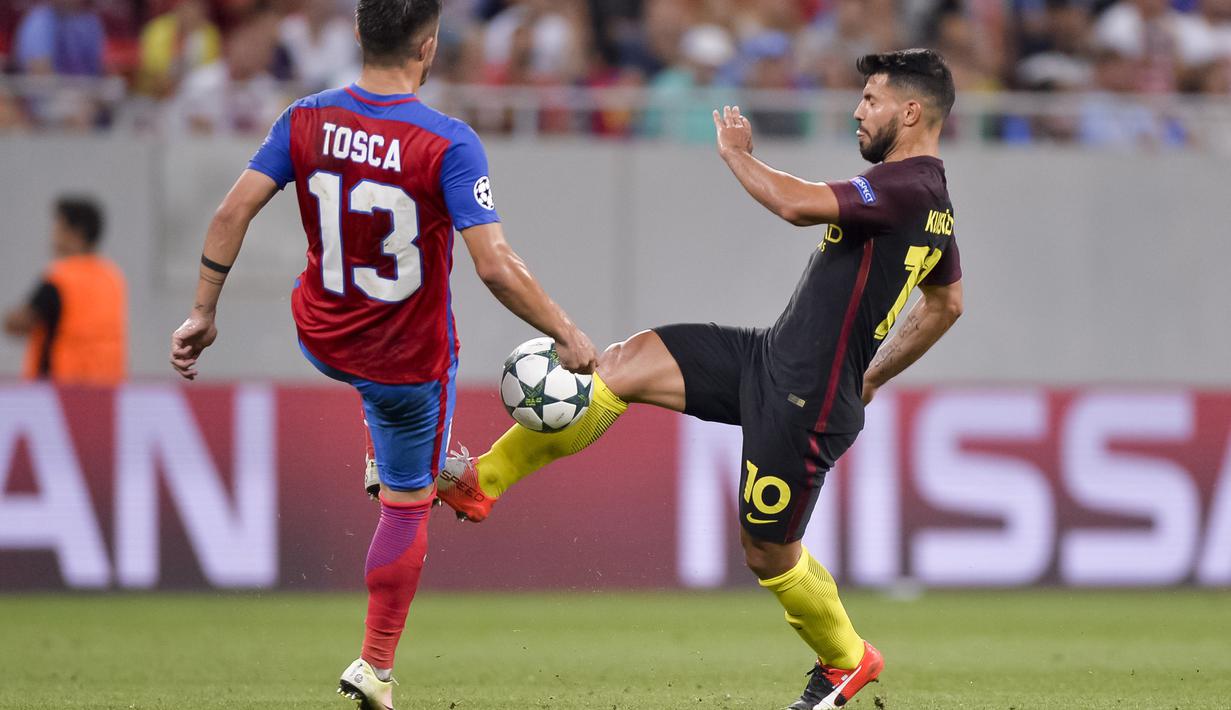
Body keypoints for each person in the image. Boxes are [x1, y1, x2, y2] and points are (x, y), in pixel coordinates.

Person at [437, 49, 964, 710]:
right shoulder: (932, 198)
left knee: (766, 552)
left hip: (805, 401)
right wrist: (875, 375)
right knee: (625, 363)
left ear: (911, 111)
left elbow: (796, 205)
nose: (858, 110)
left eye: (871, 99)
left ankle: (846, 660)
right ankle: (480, 483)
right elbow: (947, 304)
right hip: (769, 360)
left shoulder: (901, 187)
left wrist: (737, 155)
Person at [167, 1, 597, 708]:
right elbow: (492, 266)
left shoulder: (304, 116)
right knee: (407, 502)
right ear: (427, 48)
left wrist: (203, 311)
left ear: (361, 36)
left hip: (322, 334)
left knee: (399, 396)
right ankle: (375, 665)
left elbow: (229, 212)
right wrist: (568, 333)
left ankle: (419, 459)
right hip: (404, 364)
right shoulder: (448, 140)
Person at [4, 197, 127, 386]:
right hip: (106, 390)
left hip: (59, 391)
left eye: (58, 228)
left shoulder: (61, 278)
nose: (52, 236)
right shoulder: (112, 277)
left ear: (74, 233)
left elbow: (20, 323)